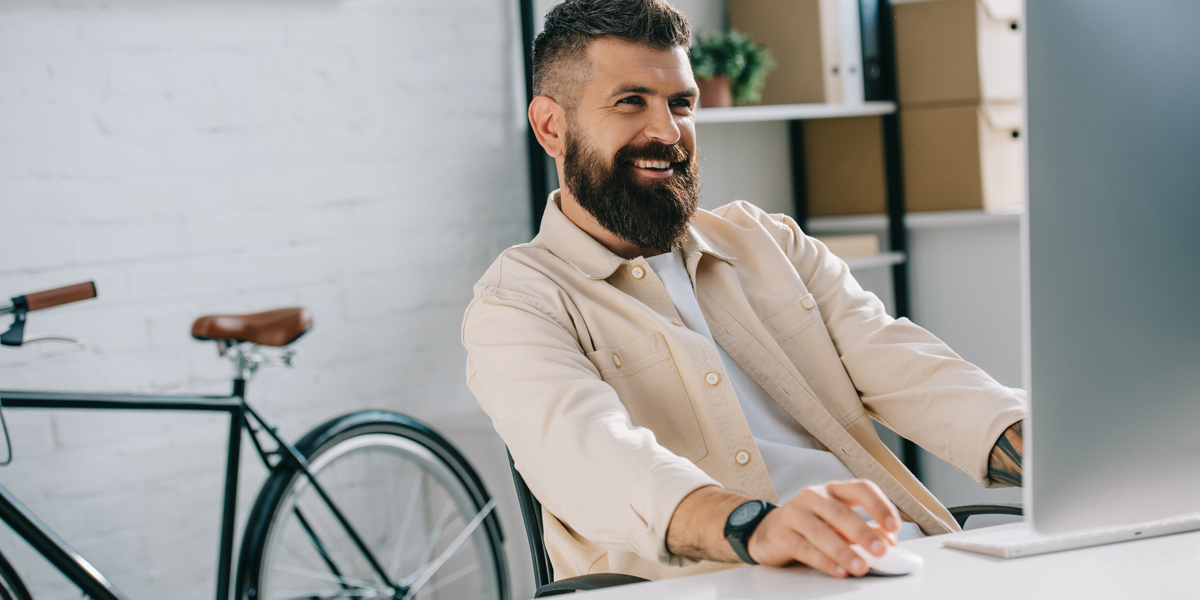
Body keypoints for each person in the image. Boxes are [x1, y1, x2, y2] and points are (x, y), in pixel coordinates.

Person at [462, 0, 1026, 583]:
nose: (666, 131)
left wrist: (1048, 449)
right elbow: (594, 458)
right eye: (631, 102)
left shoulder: (771, 242)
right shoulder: (517, 306)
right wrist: (757, 526)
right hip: (717, 581)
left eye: (681, 103)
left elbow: (912, 370)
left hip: (889, 562)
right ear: (551, 126)